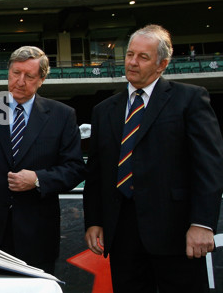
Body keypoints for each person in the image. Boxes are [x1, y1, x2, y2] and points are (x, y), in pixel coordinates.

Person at [83, 24, 223, 293]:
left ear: (162, 64)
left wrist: (202, 224)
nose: (132, 62)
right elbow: (97, 172)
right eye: (130, 54)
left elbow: (209, 166)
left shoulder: (190, 99)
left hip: (177, 232)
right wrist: (94, 220)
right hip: (121, 234)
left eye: (143, 57)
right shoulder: (104, 110)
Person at [0, 46, 86, 274]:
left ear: (42, 79)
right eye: (16, 73)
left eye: (29, 76)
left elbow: (74, 168)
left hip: (37, 236)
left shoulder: (62, 116)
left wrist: (38, 179)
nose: (20, 81)